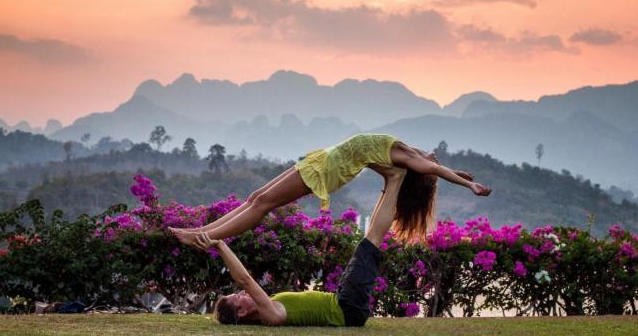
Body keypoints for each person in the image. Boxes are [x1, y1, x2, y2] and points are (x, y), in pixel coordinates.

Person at [170, 132, 491, 249]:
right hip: (323, 159)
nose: (436, 159)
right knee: (257, 196)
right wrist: (459, 173)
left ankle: (205, 239)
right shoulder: (414, 153)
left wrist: (468, 185)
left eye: (434, 168)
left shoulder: (412, 160)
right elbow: (437, 166)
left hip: (328, 171)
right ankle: (202, 231)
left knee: (263, 203)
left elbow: (434, 169)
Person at [200, 165, 419, 326]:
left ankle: (391, 183)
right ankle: (396, 179)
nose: (241, 292)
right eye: (237, 297)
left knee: (370, 238)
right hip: (347, 307)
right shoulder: (271, 314)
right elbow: (244, 279)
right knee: (371, 241)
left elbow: (244, 283)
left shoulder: (271, 306)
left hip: (343, 301)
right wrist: (219, 243)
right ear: (240, 313)